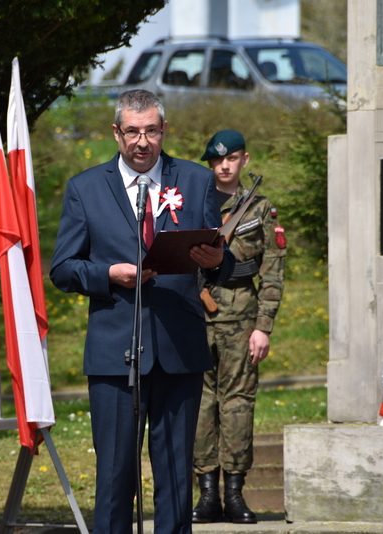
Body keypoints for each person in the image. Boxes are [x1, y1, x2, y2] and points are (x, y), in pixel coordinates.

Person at [50, 89, 235, 534]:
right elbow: (63, 269)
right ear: (117, 133)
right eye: (132, 131)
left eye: (151, 130)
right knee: (115, 475)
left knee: (174, 474)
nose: (142, 141)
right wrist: (109, 274)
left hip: (179, 348)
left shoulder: (194, 180)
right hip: (117, 351)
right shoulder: (86, 188)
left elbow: (222, 260)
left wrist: (216, 262)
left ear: (164, 130)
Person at [191, 130, 286, 524]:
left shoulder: (260, 208)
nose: (224, 165)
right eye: (217, 160)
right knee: (199, 404)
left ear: (244, 160)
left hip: (242, 316)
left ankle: (235, 493)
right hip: (196, 315)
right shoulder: (191, 203)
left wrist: (263, 326)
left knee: (238, 404)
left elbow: (273, 271)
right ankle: (207, 494)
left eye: (231, 158)